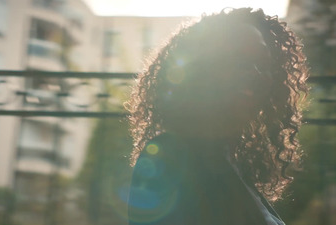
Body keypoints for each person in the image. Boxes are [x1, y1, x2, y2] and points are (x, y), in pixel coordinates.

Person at [125, 7, 309, 225]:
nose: (254, 71)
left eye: (263, 63)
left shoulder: (232, 163)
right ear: (199, 71)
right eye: (236, 59)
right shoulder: (170, 155)